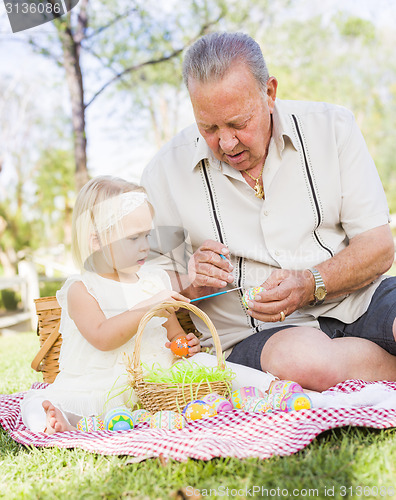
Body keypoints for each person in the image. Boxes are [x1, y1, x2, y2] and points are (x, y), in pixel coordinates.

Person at [141, 31, 396, 392]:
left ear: (270, 93)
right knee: (309, 363)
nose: (226, 143)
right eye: (209, 127)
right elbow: (145, 289)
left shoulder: (333, 128)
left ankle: (359, 364)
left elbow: (379, 247)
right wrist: (192, 281)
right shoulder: (163, 172)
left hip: (359, 299)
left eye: (238, 123)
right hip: (255, 336)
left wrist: (310, 283)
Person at [21, 176, 277, 434]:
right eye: (134, 238)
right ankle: (59, 421)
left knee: (205, 363)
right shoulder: (82, 288)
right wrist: (147, 307)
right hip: (105, 384)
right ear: (96, 241)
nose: (145, 246)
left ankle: (273, 387)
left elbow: (174, 336)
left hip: (157, 384)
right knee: (37, 404)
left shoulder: (153, 280)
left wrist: (184, 346)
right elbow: (102, 337)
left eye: (146, 235)